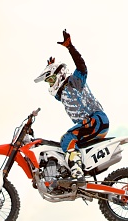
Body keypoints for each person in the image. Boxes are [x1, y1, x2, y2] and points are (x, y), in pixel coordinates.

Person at [34, 29, 109, 182]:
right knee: (69, 144)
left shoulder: (74, 83)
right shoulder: (61, 94)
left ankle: (77, 173)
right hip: (89, 125)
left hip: (95, 120)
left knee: (67, 138)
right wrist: (51, 67)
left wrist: (70, 47)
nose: (49, 84)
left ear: (59, 75)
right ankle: (73, 170)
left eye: (50, 80)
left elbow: (82, 67)